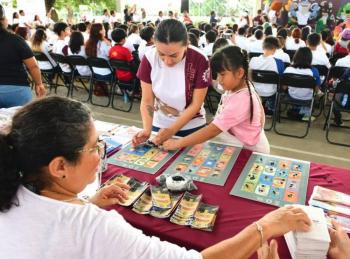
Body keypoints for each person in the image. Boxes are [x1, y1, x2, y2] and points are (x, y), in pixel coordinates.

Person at [0, 95, 312, 259]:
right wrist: (265, 226)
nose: (101, 152)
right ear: (59, 167)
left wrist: (88, 201)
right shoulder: (96, 227)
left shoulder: (13, 191)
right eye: (95, 146)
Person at [163, 45, 270, 153]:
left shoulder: (242, 99)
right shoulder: (237, 87)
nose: (219, 80)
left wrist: (177, 143)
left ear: (239, 73)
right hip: (242, 145)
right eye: (218, 74)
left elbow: (213, 130)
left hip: (252, 151)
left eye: (222, 74)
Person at [133, 19, 211, 147]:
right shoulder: (149, 58)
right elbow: (147, 100)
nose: (168, 61)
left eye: (174, 55)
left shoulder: (200, 59)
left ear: (186, 44)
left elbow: (196, 104)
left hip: (192, 127)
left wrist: (172, 130)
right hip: (159, 125)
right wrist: (147, 130)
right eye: (161, 54)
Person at [0, 4, 45, 108]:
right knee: (22, 123)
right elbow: (33, 66)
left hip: (17, 89)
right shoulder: (16, 40)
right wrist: (39, 84)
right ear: (2, 20)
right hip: (17, 91)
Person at [249, 36, 284, 116]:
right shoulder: (279, 62)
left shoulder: (253, 60)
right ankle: (269, 108)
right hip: (271, 92)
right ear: (275, 49)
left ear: (263, 47)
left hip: (254, 91)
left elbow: (249, 77)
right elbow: (281, 79)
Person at [283, 47, 321, 121]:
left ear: (295, 57)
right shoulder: (314, 71)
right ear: (310, 58)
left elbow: (284, 87)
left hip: (291, 97)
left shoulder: (288, 70)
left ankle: (297, 110)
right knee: (319, 96)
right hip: (308, 99)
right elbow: (317, 89)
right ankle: (304, 112)